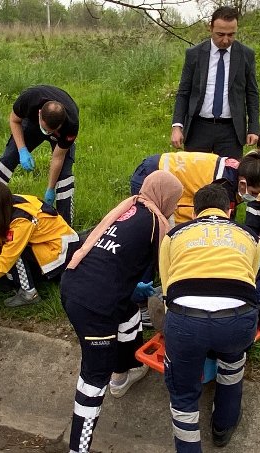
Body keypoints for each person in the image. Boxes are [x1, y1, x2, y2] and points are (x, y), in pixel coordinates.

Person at [61, 170, 183, 453]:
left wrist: (133, 289)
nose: (175, 207)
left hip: (74, 283)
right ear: (165, 198)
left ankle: (126, 370)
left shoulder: (130, 208)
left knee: (128, 310)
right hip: (95, 305)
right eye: (175, 201)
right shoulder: (156, 222)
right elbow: (168, 273)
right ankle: (78, 448)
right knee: (93, 377)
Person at [159, 184, 260, 452]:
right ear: (230, 210)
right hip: (237, 318)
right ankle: (223, 426)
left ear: (194, 212)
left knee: (182, 394)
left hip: (186, 320)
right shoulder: (251, 236)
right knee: (232, 361)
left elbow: (168, 288)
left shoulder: (174, 235)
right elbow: (250, 280)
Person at [170, 6, 260, 159]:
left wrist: (253, 127)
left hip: (231, 131)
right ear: (210, 27)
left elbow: (252, 93)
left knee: (228, 179)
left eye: (231, 34)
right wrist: (177, 126)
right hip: (198, 128)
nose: (225, 40)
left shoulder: (246, 55)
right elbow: (184, 92)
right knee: (195, 179)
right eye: (220, 34)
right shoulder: (194, 54)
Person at [0, 84, 79, 224]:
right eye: (45, 129)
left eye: (52, 131)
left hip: (59, 132)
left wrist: (50, 189)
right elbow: (14, 120)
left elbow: (58, 157)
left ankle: (66, 226)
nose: (48, 134)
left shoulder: (71, 124)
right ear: (39, 114)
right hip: (32, 125)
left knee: (64, 177)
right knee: (8, 158)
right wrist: (22, 150)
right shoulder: (29, 99)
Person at [129, 150, 260, 226]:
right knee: (152, 228)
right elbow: (205, 219)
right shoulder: (223, 187)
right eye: (254, 193)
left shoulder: (238, 170)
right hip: (150, 177)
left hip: (156, 167)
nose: (254, 197)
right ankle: (146, 275)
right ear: (243, 184)